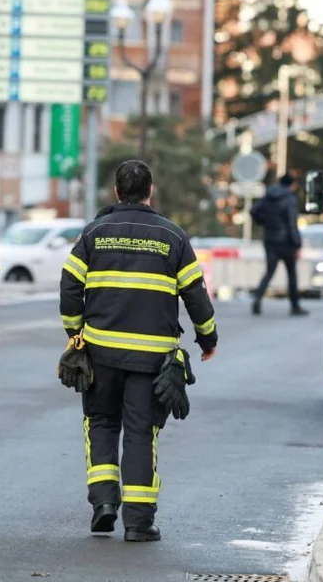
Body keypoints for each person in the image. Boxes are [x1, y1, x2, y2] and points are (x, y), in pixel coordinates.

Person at [59, 160, 218, 542]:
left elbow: (69, 286)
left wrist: (75, 333)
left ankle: (103, 504)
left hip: (101, 353)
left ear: (116, 192)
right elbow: (195, 294)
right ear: (150, 192)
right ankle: (138, 522)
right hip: (151, 359)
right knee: (140, 433)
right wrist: (207, 339)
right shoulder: (173, 237)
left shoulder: (94, 233)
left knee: (100, 424)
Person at [250, 171, 308, 316]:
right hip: (286, 242)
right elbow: (291, 223)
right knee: (291, 274)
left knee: (269, 272)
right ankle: (295, 306)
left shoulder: (268, 196)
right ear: (291, 184)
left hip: (270, 239)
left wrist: (265, 223)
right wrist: (297, 244)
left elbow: (253, 211)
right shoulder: (289, 199)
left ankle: (257, 299)